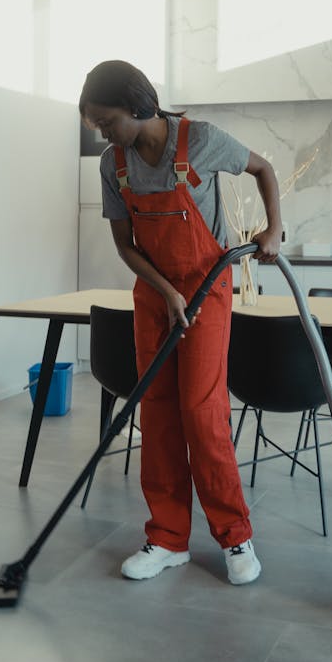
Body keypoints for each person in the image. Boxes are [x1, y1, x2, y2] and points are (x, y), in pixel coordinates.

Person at [79, 60, 283, 585]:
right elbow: (125, 245)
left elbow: (263, 169)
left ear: (136, 106)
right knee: (160, 411)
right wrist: (166, 292)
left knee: (202, 410)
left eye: (107, 122)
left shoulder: (201, 141)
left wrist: (273, 229)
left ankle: (235, 536)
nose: (104, 134)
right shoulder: (113, 165)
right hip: (155, 294)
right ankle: (168, 538)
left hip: (207, 287)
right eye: (97, 126)